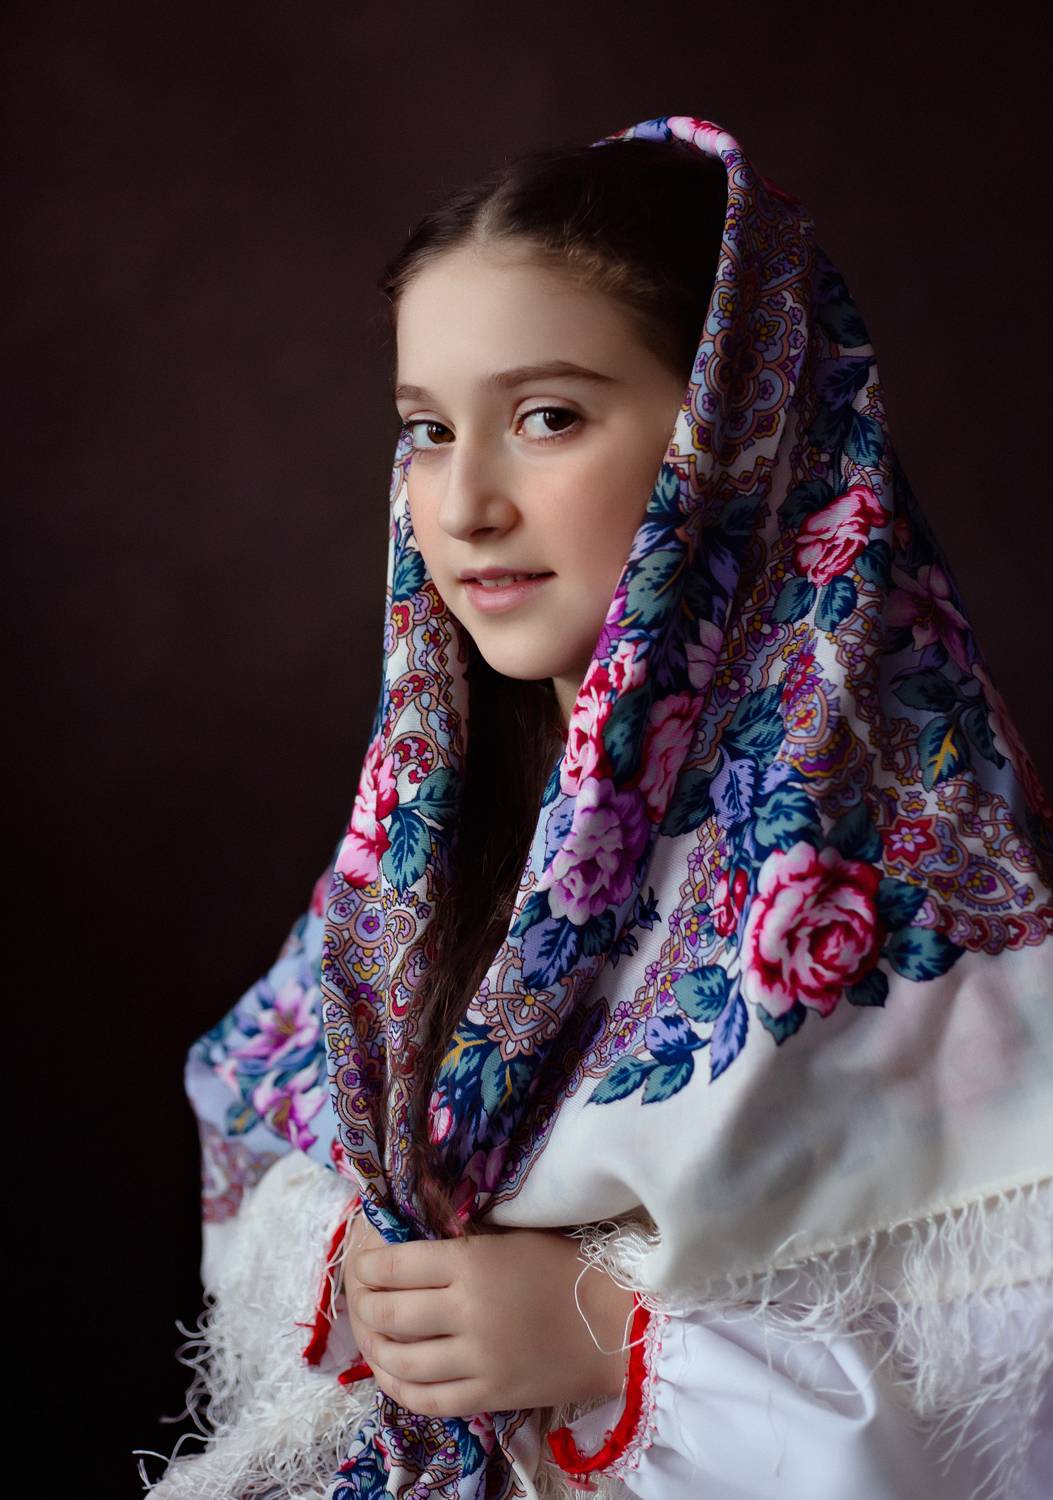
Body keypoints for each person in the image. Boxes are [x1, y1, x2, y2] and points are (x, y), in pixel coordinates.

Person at [138, 114, 1053, 1500]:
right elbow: (260, 1129)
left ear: (738, 438)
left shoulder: (915, 881)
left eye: (547, 418)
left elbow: (997, 1360)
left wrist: (618, 1343)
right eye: (427, 430)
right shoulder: (431, 840)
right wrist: (361, 1269)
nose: (464, 503)